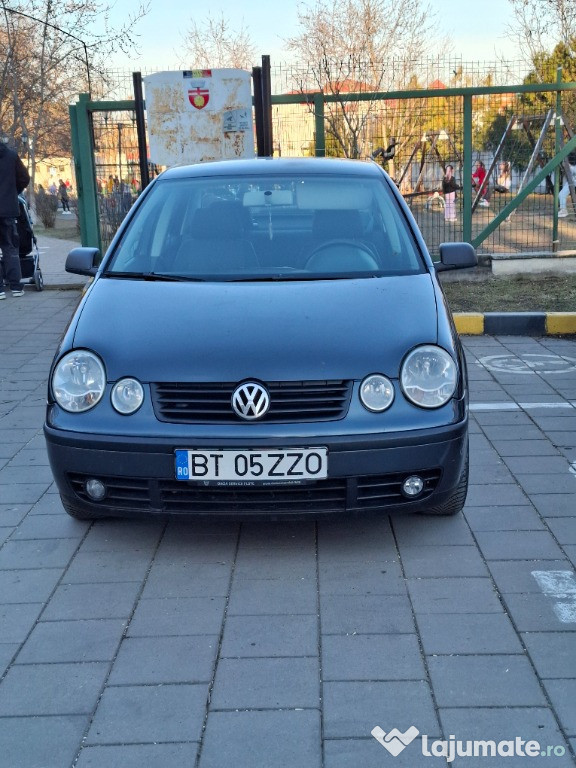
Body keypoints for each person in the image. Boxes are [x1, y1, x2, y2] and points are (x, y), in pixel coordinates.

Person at [0, 141, 30, 299]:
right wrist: (13, 191)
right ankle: (16, 286)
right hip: (8, 209)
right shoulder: (11, 156)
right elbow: (24, 178)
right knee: (10, 247)